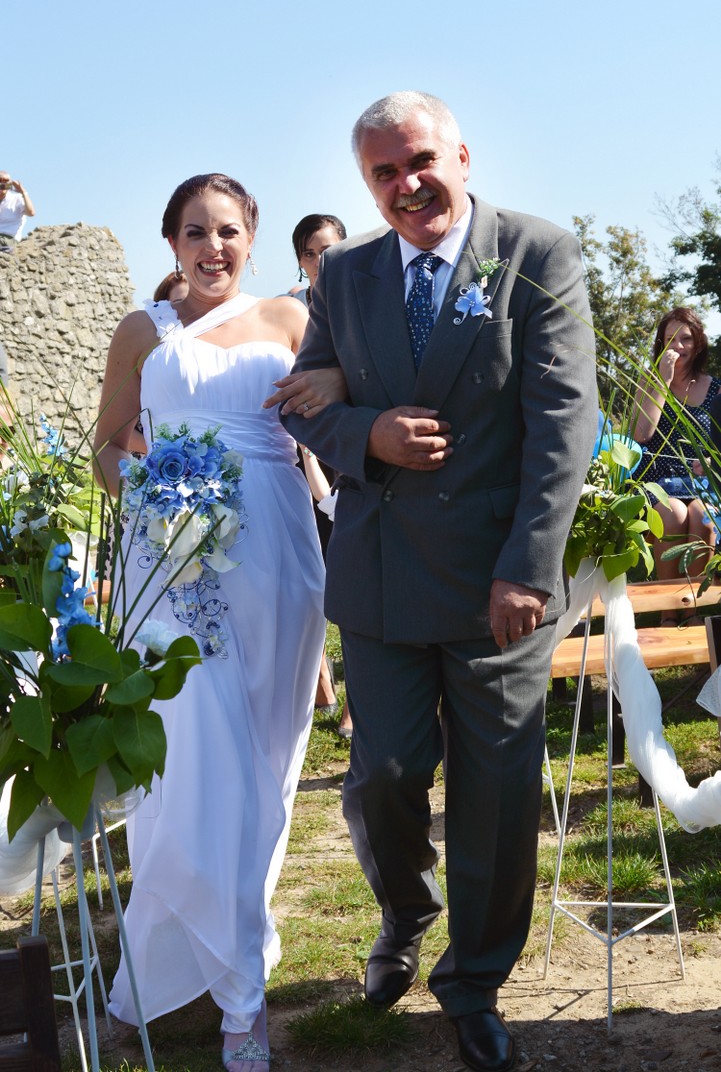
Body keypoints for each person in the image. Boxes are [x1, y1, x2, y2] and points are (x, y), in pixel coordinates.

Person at [277, 91, 597, 1072]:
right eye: (383, 173)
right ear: (365, 184)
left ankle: (473, 982)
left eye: (419, 160)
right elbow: (302, 402)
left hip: (497, 585)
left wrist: (529, 568)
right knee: (382, 776)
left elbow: (563, 423)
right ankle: (404, 911)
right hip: (379, 579)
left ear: (459, 155)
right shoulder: (345, 274)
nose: (406, 184)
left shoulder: (535, 254)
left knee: (493, 795)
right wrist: (364, 434)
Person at [93, 173, 334, 1072]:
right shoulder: (141, 332)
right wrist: (150, 496)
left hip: (275, 556)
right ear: (171, 243)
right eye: (195, 231)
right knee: (195, 759)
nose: (213, 246)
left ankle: (189, 959)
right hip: (171, 566)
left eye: (228, 230)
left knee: (263, 772)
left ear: (251, 239)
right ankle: (240, 1003)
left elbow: (329, 427)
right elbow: (107, 444)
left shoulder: (291, 321)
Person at [283, 213, 353, 734]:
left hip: (351, 453)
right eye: (310, 253)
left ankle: (356, 703)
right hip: (297, 455)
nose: (320, 260)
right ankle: (319, 681)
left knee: (352, 578)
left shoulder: (365, 299)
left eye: (328, 249)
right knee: (307, 578)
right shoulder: (288, 309)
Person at [632, 307, 719, 621]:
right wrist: (662, 381)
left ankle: (691, 609)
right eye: (670, 339)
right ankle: (667, 613)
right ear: (661, 343)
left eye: (686, 339)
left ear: (698, 344)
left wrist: (711, 461)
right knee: (674, 515)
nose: (678, 347)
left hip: (701, 482)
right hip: (658, 481)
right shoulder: (649, 379)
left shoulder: (716, 389)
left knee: (703, 518)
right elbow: (641, 435)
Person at [0, 172, 35, 252]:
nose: (2, 183)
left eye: (5, 181)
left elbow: (31, 213)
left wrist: (23, 192)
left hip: (9, 239)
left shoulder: (16, 198)